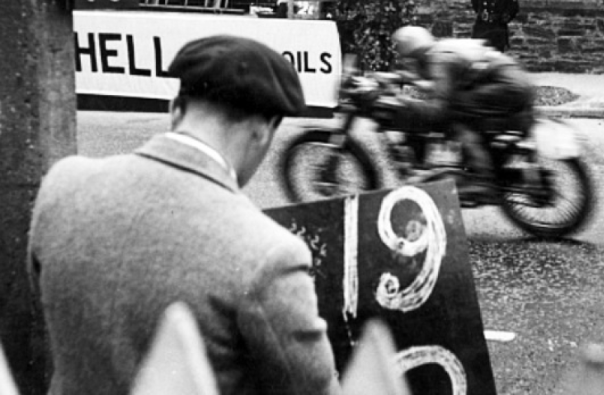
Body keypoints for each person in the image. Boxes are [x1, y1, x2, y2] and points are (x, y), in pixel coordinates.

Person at [28, 35, 342, 395]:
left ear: (175, 108)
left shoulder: (63, 184)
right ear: (262, 131)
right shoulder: (270, 254)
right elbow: (315, 388)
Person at [388, 26, 535, 179]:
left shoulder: (439, 60)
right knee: (463, 106)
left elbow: (439, 108)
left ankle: (482, 176)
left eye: (408, 58)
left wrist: (403, 103)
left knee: (455, 111)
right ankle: (488, 163)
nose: (408, 62)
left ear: (414, 52)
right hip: (515, 81)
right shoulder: (441, 51)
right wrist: (406, 79)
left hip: (507, 85)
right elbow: (441, 86)